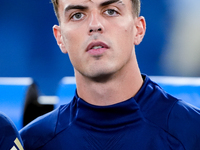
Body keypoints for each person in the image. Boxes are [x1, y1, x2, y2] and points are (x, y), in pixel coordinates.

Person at [20, 0, 200, 149]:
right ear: (60, 38)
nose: (95, 25)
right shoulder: (31, 143)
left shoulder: (193, 133)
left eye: (111, 11)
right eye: (77, 15)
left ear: (139, 29)